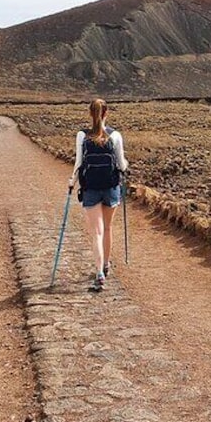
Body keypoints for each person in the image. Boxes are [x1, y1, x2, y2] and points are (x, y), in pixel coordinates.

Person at [68, 98, 129, 290]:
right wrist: (125, 166)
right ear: (106, 113)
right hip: (111, 187)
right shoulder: (115, 135)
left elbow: (79, 163)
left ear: (90, 114)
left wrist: (72, 182)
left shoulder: (82, 136)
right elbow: (121, 164)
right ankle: (106, 264)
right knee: (108, 229)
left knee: (96, 231)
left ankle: (99, 272)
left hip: (90, 188)